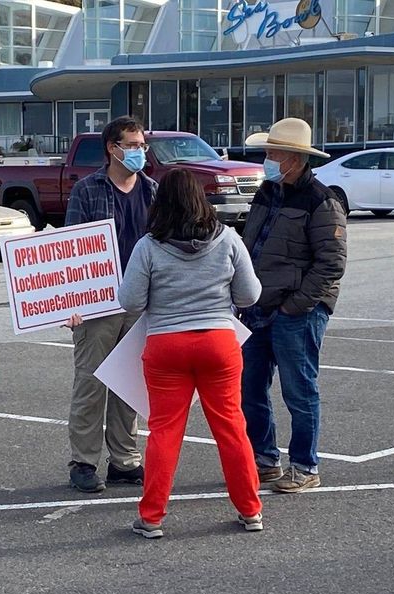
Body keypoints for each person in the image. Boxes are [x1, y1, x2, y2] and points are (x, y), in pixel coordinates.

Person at [118, 169, 264, 538]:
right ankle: (250, 510)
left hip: (167, 343)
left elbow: (130, 301)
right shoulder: (229, 239)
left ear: (160, 203)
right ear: (201, 199)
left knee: (165, 431)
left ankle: (152, 517)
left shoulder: (149, 246)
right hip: (218, 340)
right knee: (231, 427)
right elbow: (249, 296)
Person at [239, 118, 347, 493]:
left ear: (295, 158)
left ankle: (304, 465)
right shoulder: (267, 192)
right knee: (249, 387)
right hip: (257, 307)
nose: (267, 159)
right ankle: (265, 459)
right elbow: (250, 244)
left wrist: (296, 306)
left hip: (295, 311)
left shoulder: (322, 200)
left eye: (273, 153)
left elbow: (331, 264)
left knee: (299, 390)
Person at [62, 116, 157, 493]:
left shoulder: (152, 190)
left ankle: (124, 461)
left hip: (138, 302)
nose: (139, 152)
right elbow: (69, 249)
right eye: (132, 145)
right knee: (91, 382)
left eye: (141, 145)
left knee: (129, 384)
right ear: (112, 148)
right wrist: (68, 301)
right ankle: (83, 462)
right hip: (96, 303)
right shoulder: (88, 190)